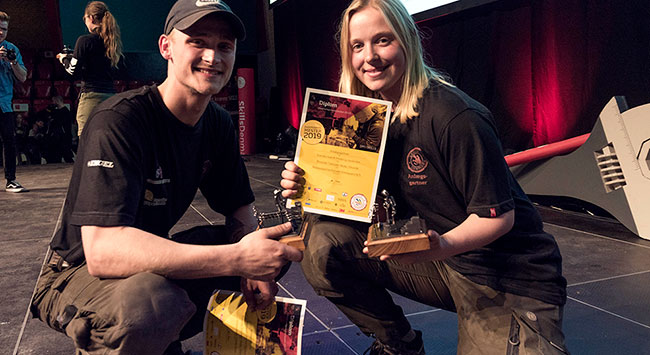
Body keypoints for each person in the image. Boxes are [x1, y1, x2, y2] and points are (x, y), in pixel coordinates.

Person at [281, 0, 570, 354]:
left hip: (505, 276)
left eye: (382, 40)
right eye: (358, 46)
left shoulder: (455, 116)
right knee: (323, 245)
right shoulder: (364, 122)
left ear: (408, 41)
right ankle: (399, 344)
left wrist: (441, 246)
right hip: (443, 262)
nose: (369, 57)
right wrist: (307, 187)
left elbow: (498, 218)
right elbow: (351, 208)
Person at [31, 1, 303, 354]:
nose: (212, 56)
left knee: (267, 251)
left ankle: (159, 333)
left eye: (224, 46)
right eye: (198, 42)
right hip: (75, 271)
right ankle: (136, 332)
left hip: (144, 265)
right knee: (149, 306)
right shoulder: (118, 121)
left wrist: (252, 263)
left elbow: (239, 209)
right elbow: (103, 252)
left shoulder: (217, 123)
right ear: (166, 48)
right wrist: (236, 259)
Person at [56, 1, 123, 137]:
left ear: (91, 18)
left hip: (92, 97)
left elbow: (72, 73)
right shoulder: (113, 43)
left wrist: (64, 59)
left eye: (85, 18)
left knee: (87, 143)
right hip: (111, 97)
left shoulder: (84, 41)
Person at [0, 11, 27, 192]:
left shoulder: (12, 49)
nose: (1, 32)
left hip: (4, 103)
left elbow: (23, 77)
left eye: (4, 29)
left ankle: (11, 179)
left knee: (9, 141)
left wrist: (13, 63)